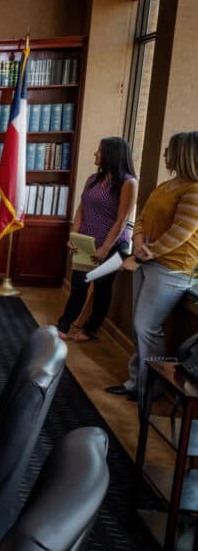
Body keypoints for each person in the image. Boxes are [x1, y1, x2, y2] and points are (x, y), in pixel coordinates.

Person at [108, 131, 198, 400]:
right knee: (139, 327)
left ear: (183, 154)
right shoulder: (166, 186)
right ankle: (136, 381)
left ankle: (151, 385)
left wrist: (148, 251)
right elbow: (144, 217)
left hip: (171, 268)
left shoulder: (194, 190)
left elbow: (180, 232)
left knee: (146, 325)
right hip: (149, 261)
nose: (165, 154)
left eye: (169, 149)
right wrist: (138, 243)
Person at [58, 137, 138, 342]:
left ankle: (90, 329)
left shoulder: (128, 183)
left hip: (113, 246)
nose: (95, 154)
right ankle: (63, 326)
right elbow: (81, 208)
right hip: (86, 243)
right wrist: (73, 237)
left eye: (100, 151)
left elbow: (123, 219)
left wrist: (105, 248)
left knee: (102, 287)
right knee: (79, 285)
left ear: (112, 155)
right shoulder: (93, 179)